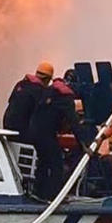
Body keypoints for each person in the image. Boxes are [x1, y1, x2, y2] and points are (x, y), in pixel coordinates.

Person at [29, 71, 83, 201]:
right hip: (46, 133)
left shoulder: (48, 90)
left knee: (43, 161)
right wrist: (84, 142)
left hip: (34, 130)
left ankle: (38, 191)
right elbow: (73, 121)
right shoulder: (66, 97)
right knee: (56, 162)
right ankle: (55, 196)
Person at [2, 62, 52, 145]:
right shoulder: (40, 90)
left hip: (7, 125)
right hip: (22, 132)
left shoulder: (20, 83)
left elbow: (10, 101)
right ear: (47, 79)